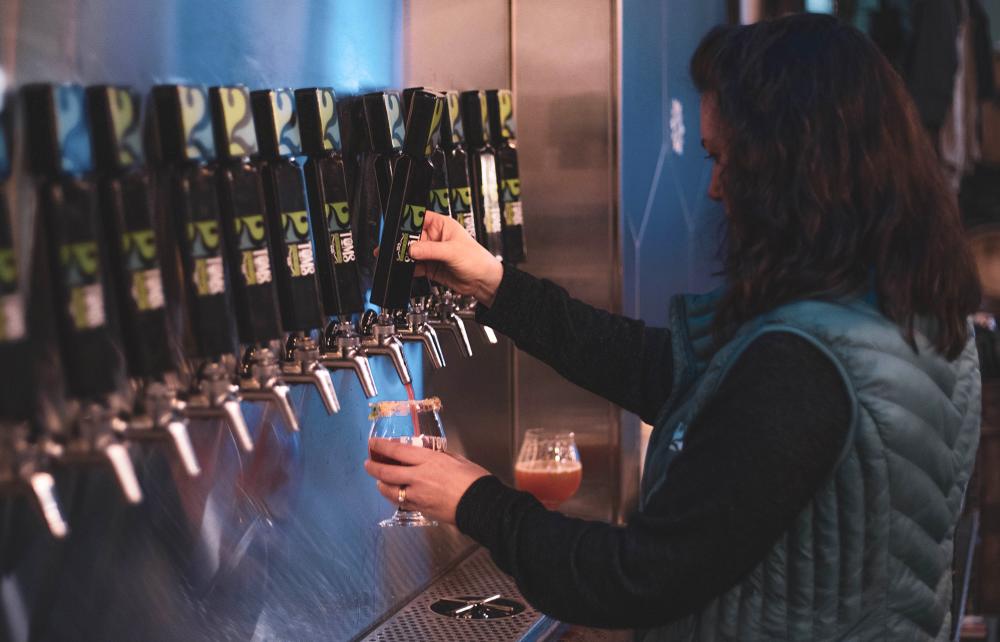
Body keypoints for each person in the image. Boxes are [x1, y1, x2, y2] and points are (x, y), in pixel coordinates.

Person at [365, 13, 982, 641]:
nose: (714, 189)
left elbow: (639, 579)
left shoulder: (806, 362)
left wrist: (474, 500)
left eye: (724, 159)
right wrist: (491, 283)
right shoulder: (897, 310)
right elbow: (661, 368)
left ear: (792, 168)